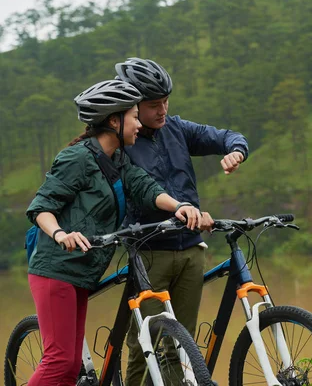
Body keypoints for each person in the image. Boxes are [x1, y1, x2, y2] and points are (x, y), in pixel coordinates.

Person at [25, 79, 213, 386]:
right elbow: (41, 206)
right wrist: (61, 234)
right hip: (55, 270)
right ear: (114, 121)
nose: (139, 124)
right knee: (59, 362)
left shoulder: (117, 159)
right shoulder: (77, 158)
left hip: (81, 273)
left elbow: (145, 187)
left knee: (71, 367)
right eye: (134, 117)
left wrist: (179, 206)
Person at [114, 57, 249, 386]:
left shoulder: (175, 128)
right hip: (149, 253)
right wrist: (179, 207)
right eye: (154, 105)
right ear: (133, 105)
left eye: (166, 102)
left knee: (181, 343)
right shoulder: (123, 143)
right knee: (144, 344)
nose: (162, 111)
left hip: (191, 250)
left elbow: (224, 136)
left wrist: (235, 152)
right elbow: (143, 191)